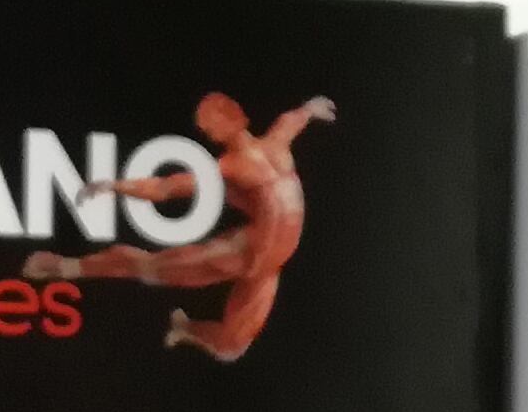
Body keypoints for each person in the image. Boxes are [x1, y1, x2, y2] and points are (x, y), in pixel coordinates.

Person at [24, 92, 333, 362]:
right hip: (241, 253)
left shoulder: (276, 141)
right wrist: (114, 185)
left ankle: (184, 327)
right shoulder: (226, 167)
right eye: (209, 127)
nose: (213, 131)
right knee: (151, 268)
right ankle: (67, 266)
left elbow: (293, 119)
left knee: (231, 348)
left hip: (268, 267)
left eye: (216, 121)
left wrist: (310, 108)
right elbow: (165, 188)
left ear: (237, 115)